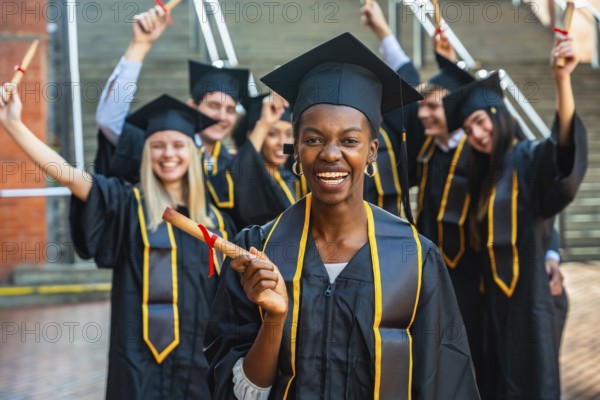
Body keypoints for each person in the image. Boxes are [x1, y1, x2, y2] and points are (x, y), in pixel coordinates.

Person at [205, 33, 480, 399]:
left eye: (349, 140)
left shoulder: (415, 258)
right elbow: (234, 392)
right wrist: (273, 321)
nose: (330, 154)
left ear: (372, 151)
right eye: (314, 139)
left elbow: (447, 383)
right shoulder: (255, 253)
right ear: (297, 149)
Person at [0, 89, 235, 399]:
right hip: (140, 367)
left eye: (179, 145)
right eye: (158, 146)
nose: (169, 154)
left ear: (192, 154)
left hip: (201, 366)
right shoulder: (128, 205)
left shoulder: (217, 225)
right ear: (146, 153)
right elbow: (71, 177)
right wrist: (14, 124)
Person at [443, 34, 587, 399]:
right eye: (468, 129)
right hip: (494, 305)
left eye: (479, 121)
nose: (476, 133)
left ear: (497, 113)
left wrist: (562, 81)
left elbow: (561, 160)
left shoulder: (528, 158)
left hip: (532, 303)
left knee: (533, 386)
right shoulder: (482, 173)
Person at [94, 4, 249, 213]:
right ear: (191, 107)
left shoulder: (232, 164)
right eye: (213, 106)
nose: (222, 116)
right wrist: (140, 46)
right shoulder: (162, 149)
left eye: (230, 109)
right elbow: (109, 119)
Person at [229, 93, 308, 229]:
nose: (282, 143)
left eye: (289, 134)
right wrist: (264, 123)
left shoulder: (290, 175)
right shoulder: (248, 177)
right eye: (271, 133)